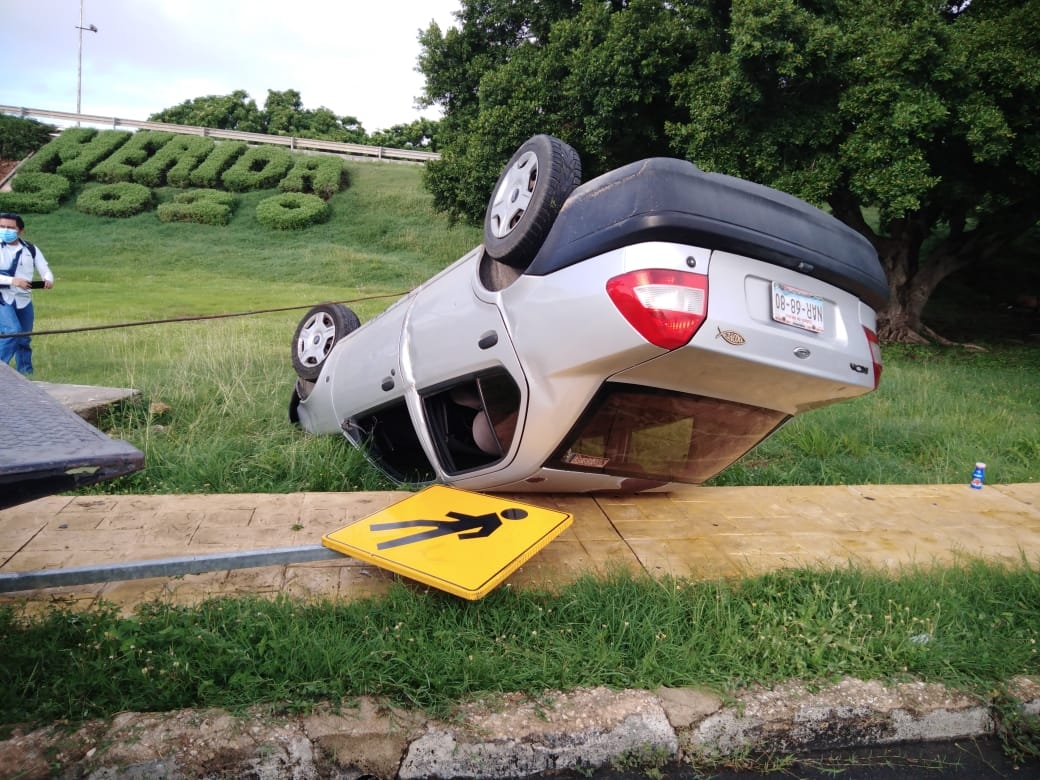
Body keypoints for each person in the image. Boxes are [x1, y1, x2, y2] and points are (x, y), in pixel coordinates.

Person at [0, 212, 54, 375]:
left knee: (24, 336)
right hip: (3, 298)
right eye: (2, 227)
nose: (5, 230)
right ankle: (2, 371)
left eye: (10, 227)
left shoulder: (30, 249)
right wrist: (12, 281)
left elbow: (44, 267)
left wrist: (48, 279)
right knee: (13, 331)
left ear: (20, 230)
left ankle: (26, 372)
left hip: (23, 299)